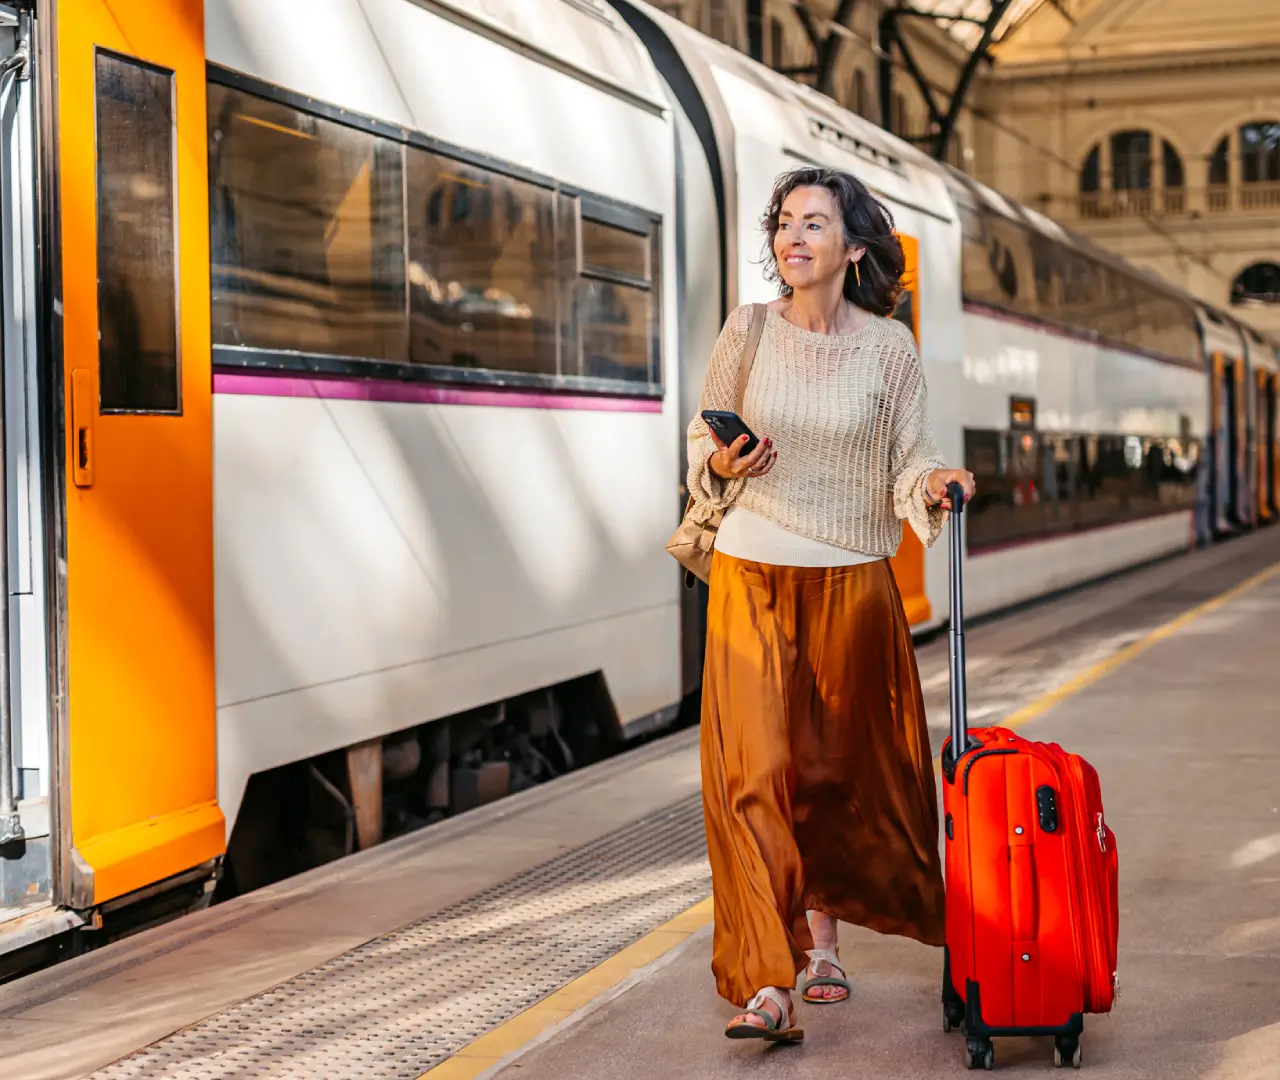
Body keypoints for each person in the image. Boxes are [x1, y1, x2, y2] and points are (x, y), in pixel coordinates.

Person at [685, 166, 976, 1042]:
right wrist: (723, 462)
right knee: (752, 776)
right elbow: (704, 434)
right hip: (750, 572)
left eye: (815, 222)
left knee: (840, 775)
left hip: (851, 580)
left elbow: (907, 461)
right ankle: (764, 981)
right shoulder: (748, 330)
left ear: (853, 248)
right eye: (784, 222)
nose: (793, 235)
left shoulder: (890, 347)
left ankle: (825, 945)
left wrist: (937, 481)